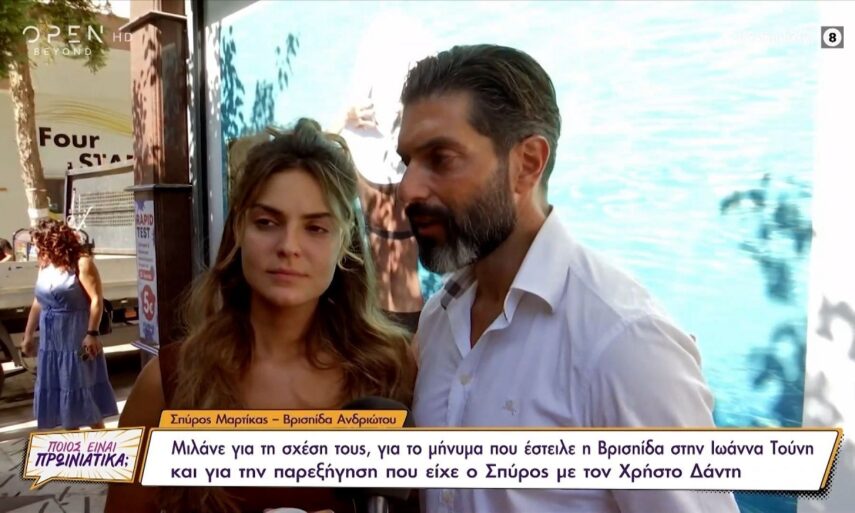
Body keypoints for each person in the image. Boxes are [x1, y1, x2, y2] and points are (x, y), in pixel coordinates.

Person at [398, 45, 740, 513]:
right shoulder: (440, 320)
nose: (407, 188)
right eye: (407, 161)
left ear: (527, 164)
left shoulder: (625, 342)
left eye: (441, 158)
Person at [106, 118, 416, 513]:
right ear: (239, 229)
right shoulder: (168, 382)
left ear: (343, 244)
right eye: (267, 223)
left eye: (316, 228)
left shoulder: (394, 371)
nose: (289, 246)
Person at [21, 220, 118, 430]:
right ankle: (73, 443)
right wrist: (28, 334)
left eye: (39, 243)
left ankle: (103, 442)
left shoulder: (82, 263)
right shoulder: (45, 264)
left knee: (82, 390)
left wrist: (92, 333)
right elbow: (39, 301)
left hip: (76, 337)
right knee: (63, 397)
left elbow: (96, 300)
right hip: (51, 341)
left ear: (53, 241)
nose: (36, 249)